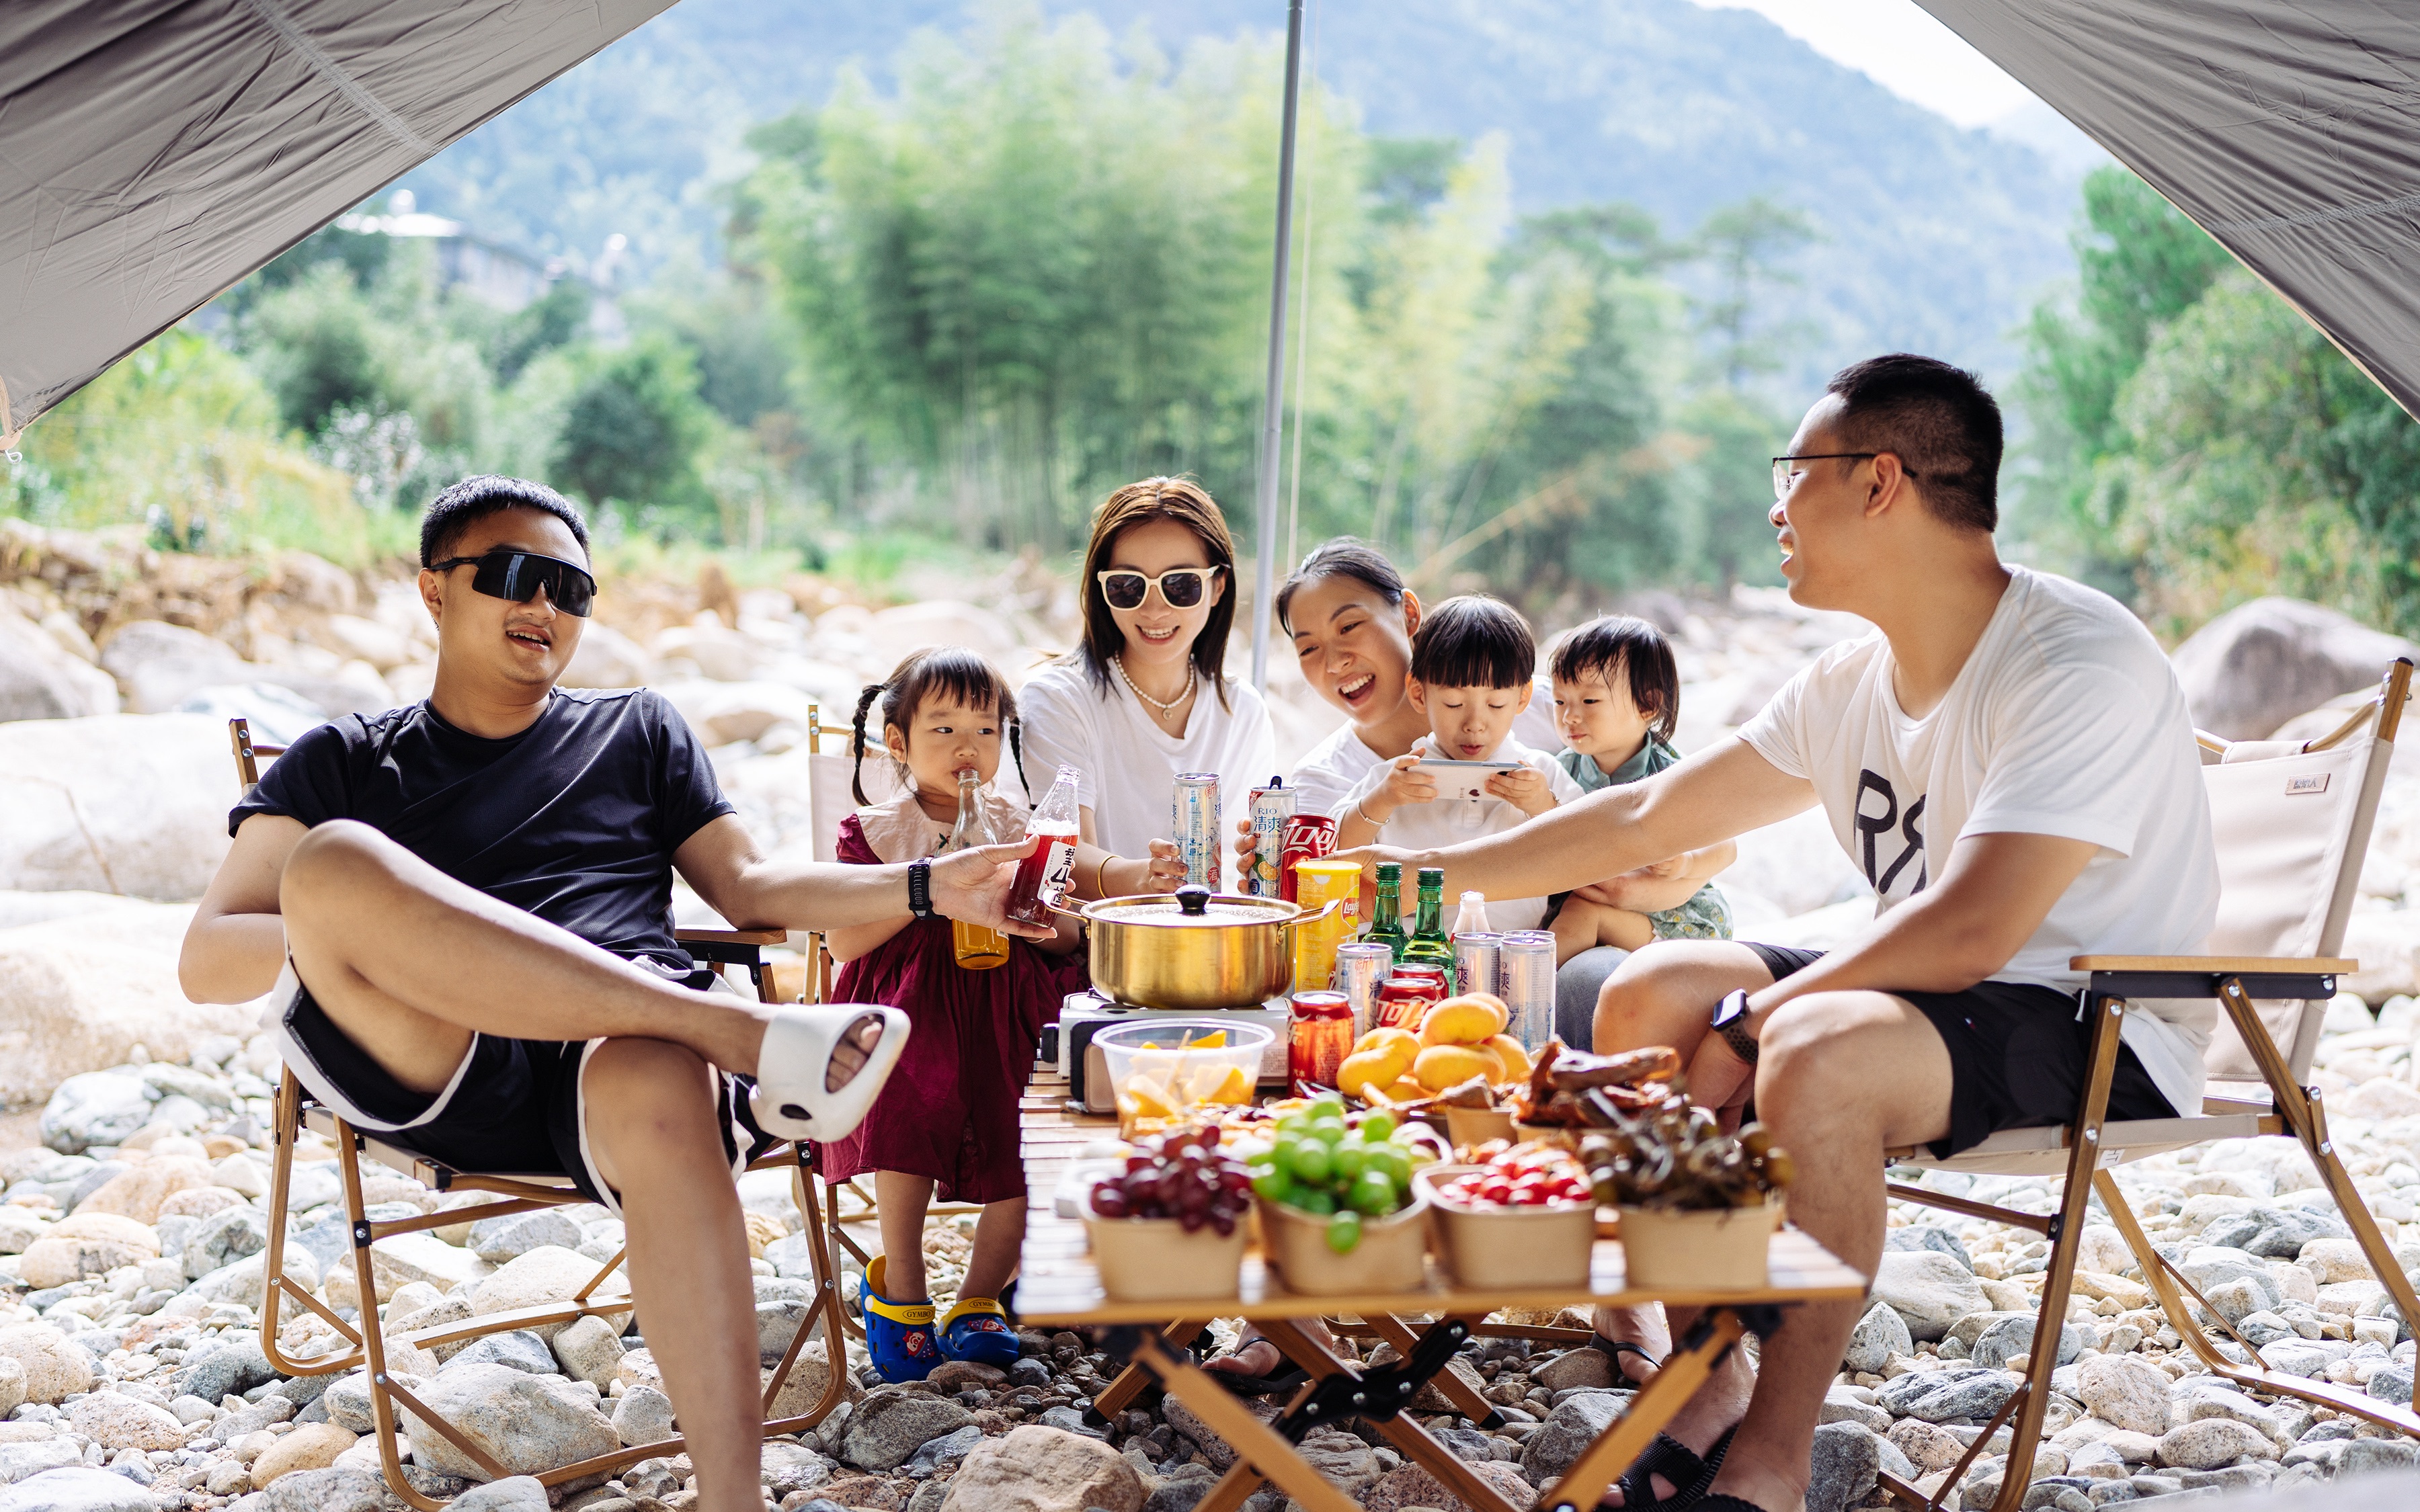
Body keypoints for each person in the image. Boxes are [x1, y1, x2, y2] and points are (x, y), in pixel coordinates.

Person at [1336, 355, 2219, 1512]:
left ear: (1880, 483)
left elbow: (1972, 930)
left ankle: (1774, 1461)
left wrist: (1761, 1015)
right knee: (1651, 988)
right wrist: (1417, 873)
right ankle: (1711, 1384)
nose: (1774, 507)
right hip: (1926, 983)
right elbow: (1650, 811)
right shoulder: (1852, 679)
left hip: (2089, 1010)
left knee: (1818, 1047)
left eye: (1792, 472)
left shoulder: (2071, 658)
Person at [177, 476, 1045, 1512]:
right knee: (330, 866)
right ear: (431, 591)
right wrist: (379, 932)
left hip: (624, 1057)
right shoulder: (347, 759)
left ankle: (736, 1499)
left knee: (655, 1077)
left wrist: (928, 884)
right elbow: (207, 957)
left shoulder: (636, 730)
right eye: (508, 574)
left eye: (569, 586)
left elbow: (751, 889)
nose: (542, 604)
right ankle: (743, 1034)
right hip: (441, 1055)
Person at [822, 648, 1085, 1382]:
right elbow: (843, 941)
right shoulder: (875, 831)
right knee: (906, 1120)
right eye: (943, 729)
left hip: (1008, 1001)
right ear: (898, 743)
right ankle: (901, 1288)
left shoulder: (1026, 825)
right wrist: (929, 884)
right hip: (906, 1007)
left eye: (987, 729)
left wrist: (1040, 910)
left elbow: (1059, 928)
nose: (968, 748)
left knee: (1022, 1141)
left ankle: (980, 1298)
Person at [1021, 477, 1275, 898]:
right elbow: (1062, 854)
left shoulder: (1244, 712)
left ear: (1218, 586)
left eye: (1180, 585)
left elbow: (1246, 869)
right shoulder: (1059, 699)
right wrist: (1141, 878)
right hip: (1103, 948)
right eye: (1127, 586)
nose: (1154, 609)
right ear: (1102, 591)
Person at [1331, 594, 1582, 931]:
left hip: (1512, 953)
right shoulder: (1393, 778)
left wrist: (1543, 806)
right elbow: (1335, 851)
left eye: (1495, 705)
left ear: (1522, 697)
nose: (1475, 724)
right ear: (1419, 695)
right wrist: (1383, 799)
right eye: (1452, 704)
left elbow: (1587, 851)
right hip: (1409, 957)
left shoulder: (1543, 772)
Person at [1545, 615, 1736, 1044]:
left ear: (1647, 704)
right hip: (1605, 907)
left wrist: (1687, 860)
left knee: (1582, 911)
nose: (1571, 717)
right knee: (1577, 909)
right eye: (1560, 702)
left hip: (1678, 921)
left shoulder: (1672, 775)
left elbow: (1725, 844)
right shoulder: (1560, 771)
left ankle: (1521, 998)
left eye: (1590, 702)